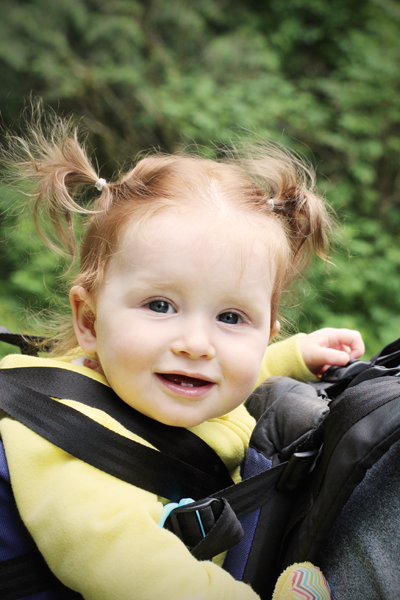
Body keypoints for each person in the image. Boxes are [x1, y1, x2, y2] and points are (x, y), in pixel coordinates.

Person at [0, 110, 364, 600]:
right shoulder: (65, 435)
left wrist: (293, 355)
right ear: (89, 321)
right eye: (160, 305)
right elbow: (129, 567)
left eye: (231, 318)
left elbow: (233, 371)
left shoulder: (154, 376)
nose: (196, 344)